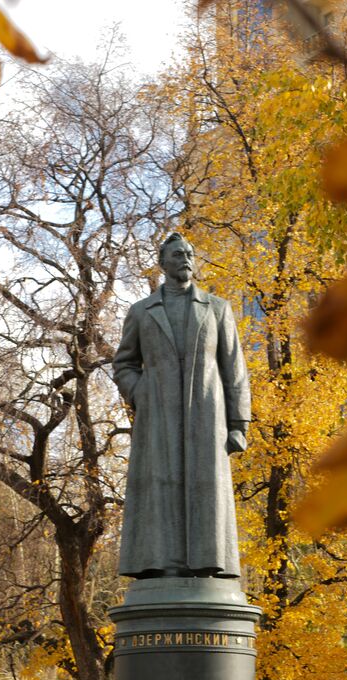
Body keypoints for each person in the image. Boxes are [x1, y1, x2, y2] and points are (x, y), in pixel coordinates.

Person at [113, 233, 251, 578]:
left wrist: (238, 425)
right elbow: (123, 364)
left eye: (190, 253)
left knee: (207, 489)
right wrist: (141, 391)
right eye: (178, 254)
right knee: (159, 487)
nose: (186, 258)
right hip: (158, 415)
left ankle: (208, 565)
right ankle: (157, 565)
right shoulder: (142, 312)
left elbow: (234, 369)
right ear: (163, 262)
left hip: (207, 415)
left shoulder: (217, 309)